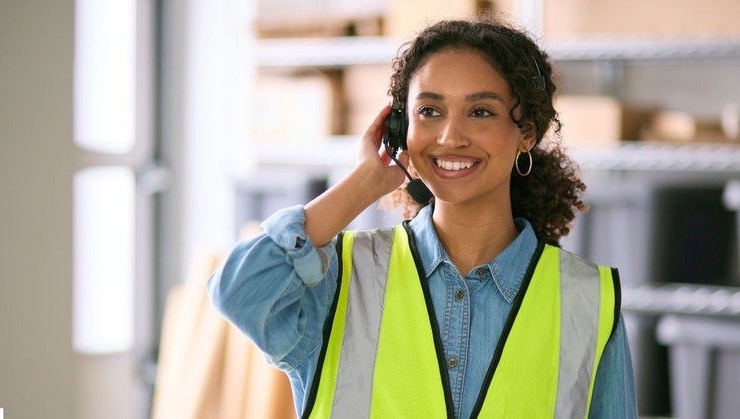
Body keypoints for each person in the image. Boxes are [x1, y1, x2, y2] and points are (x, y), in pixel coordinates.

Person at [208, 15, 638, 418]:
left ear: (526, 132)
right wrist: (367, 181)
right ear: (399, 129)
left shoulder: (588, 302)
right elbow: (238, 291)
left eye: (481, 111)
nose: (450, 137)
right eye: (429, 111)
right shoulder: (340, 280)